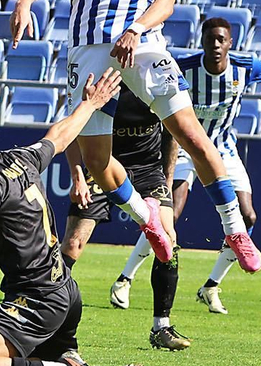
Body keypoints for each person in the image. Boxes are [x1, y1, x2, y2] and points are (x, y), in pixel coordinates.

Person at [11, 0, 261, 274]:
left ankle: (235, 230)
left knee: (193, 135)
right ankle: (148, 220)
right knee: (97, 161)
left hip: (142, 43)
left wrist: (136, 27)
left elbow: (166, 1)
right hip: (88, 48)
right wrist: (25, 2)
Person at [0, 77, 174, 366]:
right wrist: (90, 105)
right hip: (65, 290)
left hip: (36, 298)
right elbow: (59, 137)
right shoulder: (20, 158)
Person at [119, 18, 261, 318]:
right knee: (170, 214)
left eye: (221, 40)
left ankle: (211, 286)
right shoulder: (183, 67)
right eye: (210, 40)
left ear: (230, 42)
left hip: (223, 149)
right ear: (202, 41)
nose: (216, 45)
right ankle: (125, 278)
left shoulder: (246, 66)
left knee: (248, 215)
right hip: (183, 147)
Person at [65, 91, 188, 351]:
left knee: (168, 240)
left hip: (147, 171)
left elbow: (172, 134)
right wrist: (77, 174)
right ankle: (38, 312)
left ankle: (161, 327)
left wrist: (165, 183)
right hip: (102, 168)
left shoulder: (154, 81)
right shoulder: (103, 81)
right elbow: (74, 126)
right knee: (72, 245)